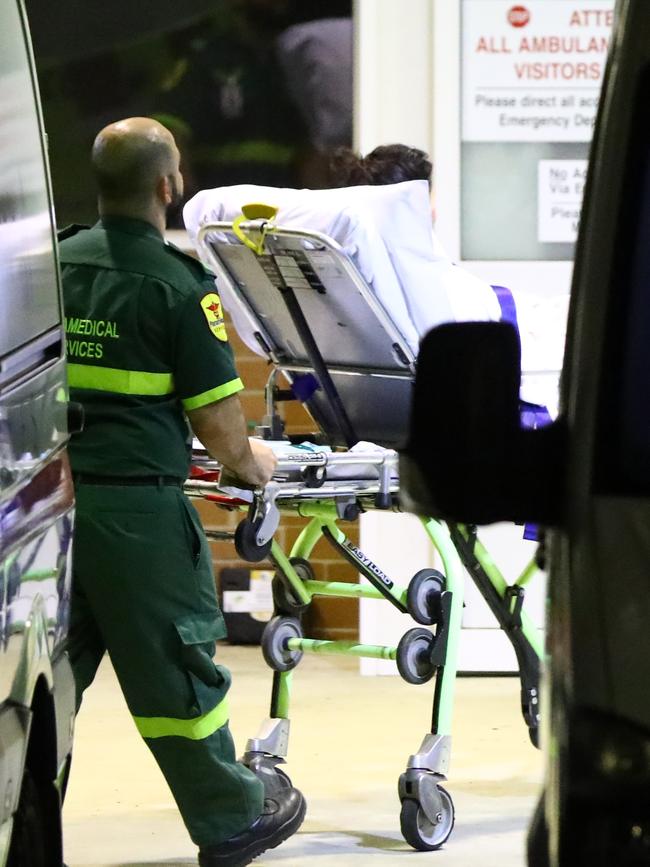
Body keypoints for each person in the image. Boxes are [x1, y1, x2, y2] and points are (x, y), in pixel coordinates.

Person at [59, 116, 305, 867]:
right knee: (178, 671)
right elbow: (224, 434)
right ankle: (233, 816)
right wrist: (261, 466)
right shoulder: (177, 284)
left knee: (44, 680)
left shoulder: (56, 265)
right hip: (139, 519)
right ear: (169, 184)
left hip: (52, 512)